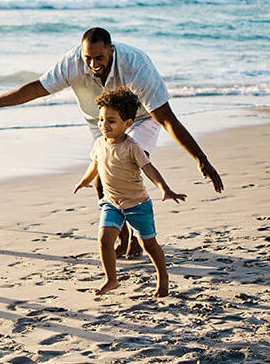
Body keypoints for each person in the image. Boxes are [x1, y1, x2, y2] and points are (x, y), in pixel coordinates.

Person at [0, 26, 223, 256]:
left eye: (100, 58)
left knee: (125, 165)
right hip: (101, 121)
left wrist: (201, 159)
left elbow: (166, 119)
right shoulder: (72, 62)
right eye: (89, 58)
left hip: (141, 119)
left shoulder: (136, 66)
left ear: (112, 51)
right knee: (101, 177)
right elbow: (36, 89)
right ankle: (122, 236)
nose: (94, 64)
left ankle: (139, 234)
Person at [75, 87, 186, 297]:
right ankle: (111, 280)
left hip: (138, 205)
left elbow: (149, 168)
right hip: (112, 204)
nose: (104, 125)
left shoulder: (133, 147)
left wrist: (164, 188)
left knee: (149, 245)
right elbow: (95, 165)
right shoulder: (99, 143)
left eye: (111, 121)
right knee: (104, 239)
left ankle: (163, 279)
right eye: (101, 119)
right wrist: (84, 181)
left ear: (127, 124)